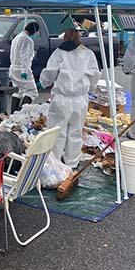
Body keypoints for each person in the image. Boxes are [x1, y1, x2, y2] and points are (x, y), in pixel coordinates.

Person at [40, 29, 100, 168]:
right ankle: (71, 164)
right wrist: (90, 89)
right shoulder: (88, 54)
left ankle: (55, 164)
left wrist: (43, 82)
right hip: (80, 99)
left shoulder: (59, 53)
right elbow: (95, 75)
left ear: (64, 38)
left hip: (62, 98)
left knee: (57, 131)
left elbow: (50, 72)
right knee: (76, 132)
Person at [9, 21, 40, 112]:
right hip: (22, 70)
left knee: (18, 92)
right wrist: (25, 72)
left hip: (14, 68)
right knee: (32, 92)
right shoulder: (27, 40)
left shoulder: (17, 37)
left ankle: (13, 113)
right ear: (34, 30)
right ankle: (21, 112)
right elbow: (25, 58)